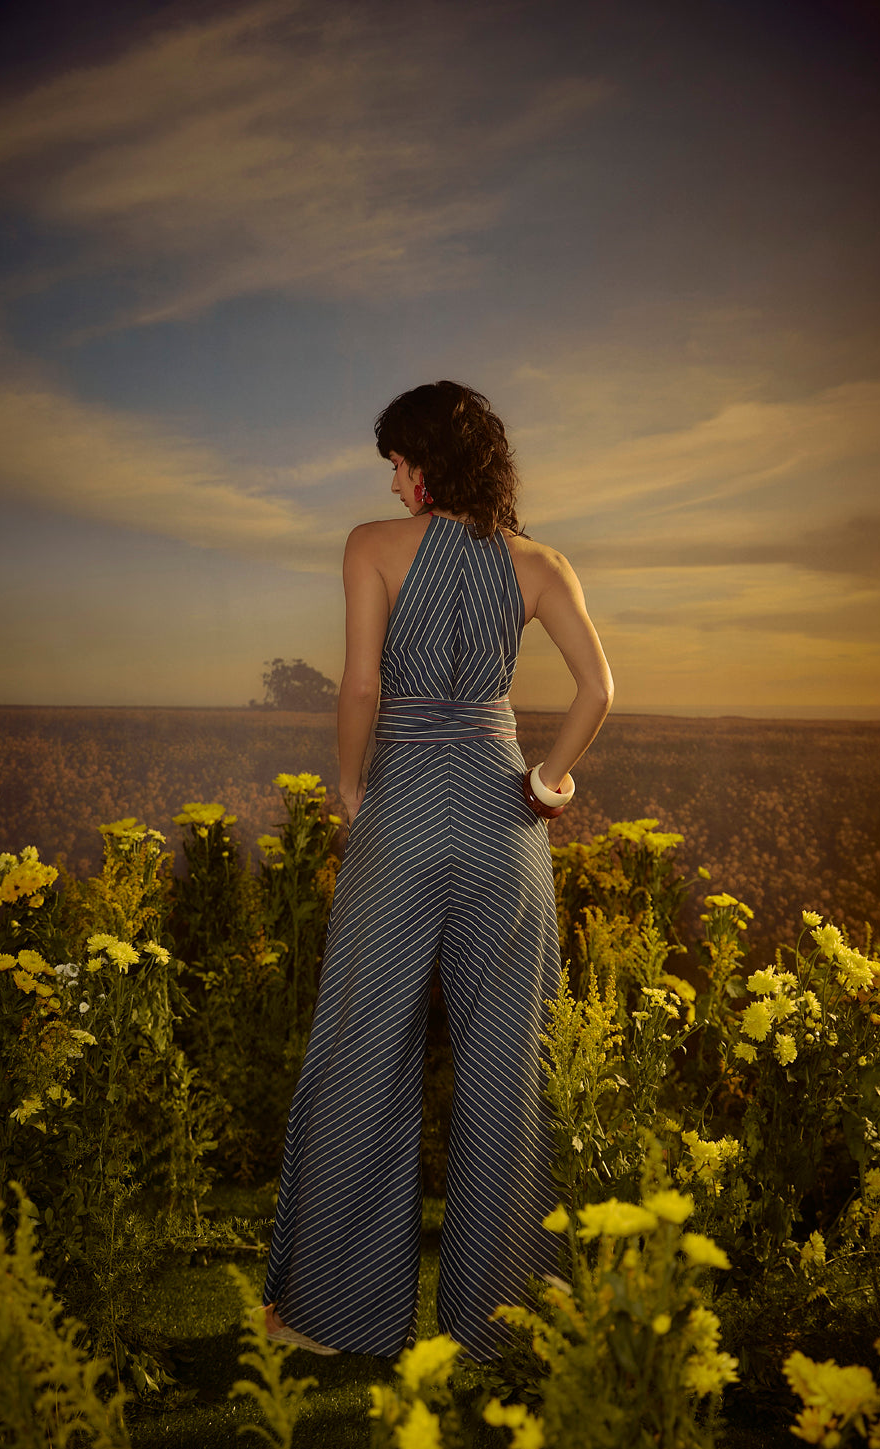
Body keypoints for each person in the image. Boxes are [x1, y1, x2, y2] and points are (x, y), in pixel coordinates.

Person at [260, 380, 613, 1360]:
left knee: (362, 1050)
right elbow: (600, 689)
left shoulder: (372, 546)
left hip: (405, 806)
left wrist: (349, 790)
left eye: (399, 461)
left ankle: (333, 1319)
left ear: (427, 464)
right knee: (509, 1064)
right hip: (506, 821)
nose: (393, 478)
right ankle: (504, 1322)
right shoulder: (542, 564)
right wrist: (549, 781)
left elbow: (363, 684)